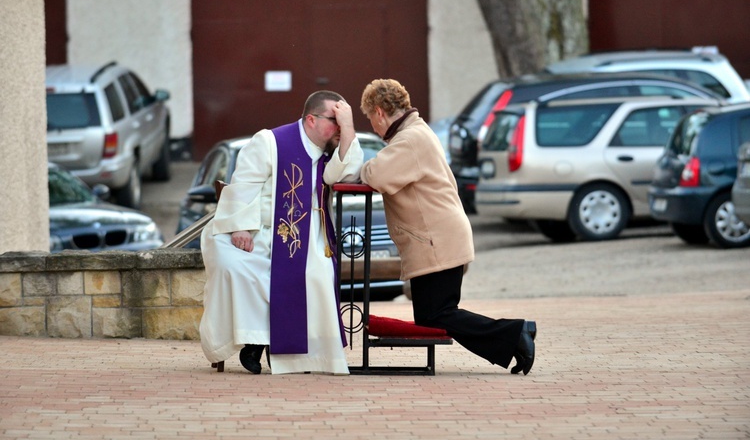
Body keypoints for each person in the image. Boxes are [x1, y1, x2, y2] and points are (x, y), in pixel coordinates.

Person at [358, 78, 537, 375]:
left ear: (379, 112)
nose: (373, 127)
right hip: (439, 237)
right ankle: (515, 336)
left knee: (437, 316)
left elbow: (375, 174)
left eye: (369, 118)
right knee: (435, 316)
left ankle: (516, 334)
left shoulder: (410, 139)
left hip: (436, 240)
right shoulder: (415, 133)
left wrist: (362, 164)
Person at [199, 90, 363, 375]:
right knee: (236, 266)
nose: (338, 128)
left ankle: (277, 347)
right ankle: (255, 340)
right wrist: (241, 227)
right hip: (258, 230)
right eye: (334, 121)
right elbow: (242, 185)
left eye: (342, 123)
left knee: (315, 274)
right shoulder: (270, 142)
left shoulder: (333, 151)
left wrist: (348, 127)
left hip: (308, 234)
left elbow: (349, 173)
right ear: (311, 120)